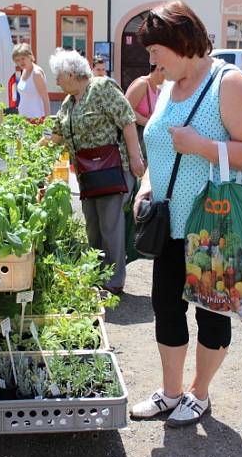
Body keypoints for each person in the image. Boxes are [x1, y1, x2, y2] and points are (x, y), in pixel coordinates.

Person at [129, 0, 242, 427]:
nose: (151, 60)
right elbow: (160, 147)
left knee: (211, 314)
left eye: (156, 52)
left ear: (182, 41)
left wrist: (203, 147)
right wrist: (147, 185)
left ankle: (199, 393)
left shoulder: (228, 82)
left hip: (213, 227)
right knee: (166, 309)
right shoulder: (170, 86)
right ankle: (171, 392)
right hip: (170, 223)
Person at [44, 48, 145, 294]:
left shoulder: (101, 88)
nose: (56, 81)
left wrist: (135, 158)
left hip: (113, 170)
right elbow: (55, 135)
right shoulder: (68, 102)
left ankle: (114, 280)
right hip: (88, 175)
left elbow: (127, 120)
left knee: (110, 226)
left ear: (70, 73)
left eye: (58, 76)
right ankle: (97, 273)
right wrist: (30, 153)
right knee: (93, 225)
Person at [124, 63, 164, 160]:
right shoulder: (141, 84)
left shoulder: (159, 90)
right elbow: (126, 110)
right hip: (135, 143)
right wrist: (148, 122)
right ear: (158, 69)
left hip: (147, 144)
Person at [12, 44, 50, 118]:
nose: (21, 62)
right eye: (17, 60)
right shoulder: (24, 71)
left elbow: (45, 99)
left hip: (36, 119)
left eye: (23, 58)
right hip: (24, 118)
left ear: (30, 56)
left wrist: (47, 120)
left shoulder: (36, 74)